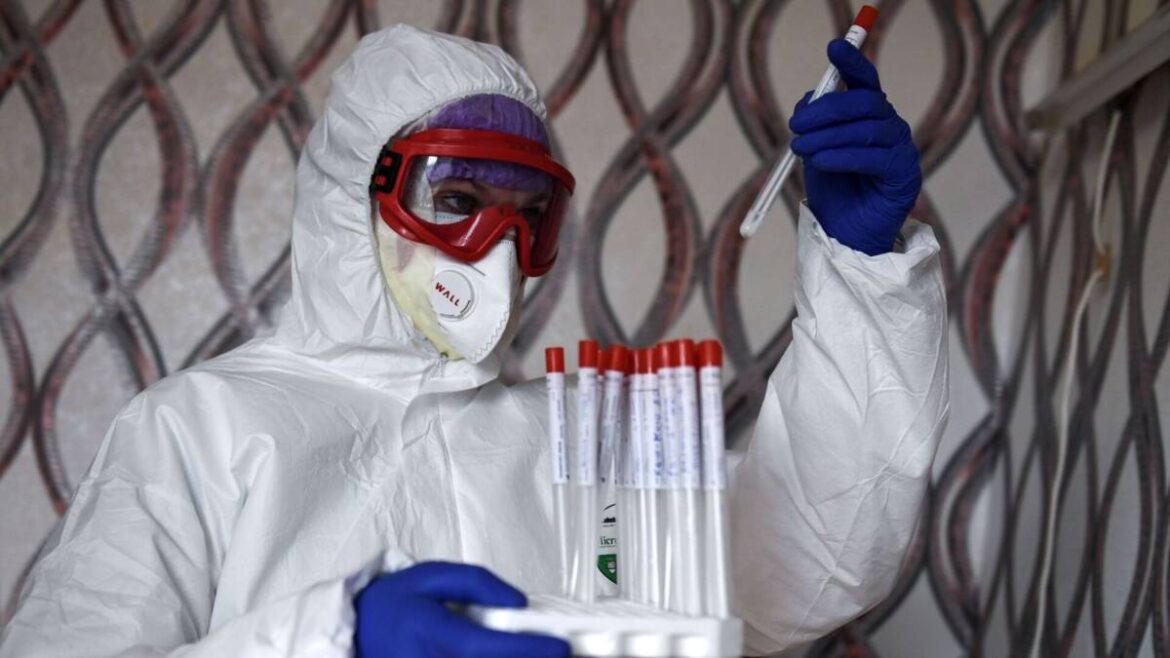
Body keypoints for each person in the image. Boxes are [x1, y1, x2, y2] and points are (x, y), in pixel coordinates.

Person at [0, 25, 947, 657]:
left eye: (526, 215)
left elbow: (810, 561)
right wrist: (330, 637)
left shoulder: (586, 437)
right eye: (455, 200)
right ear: (352, 197)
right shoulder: (199, 428)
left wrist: (860, 268)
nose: (496, 248)